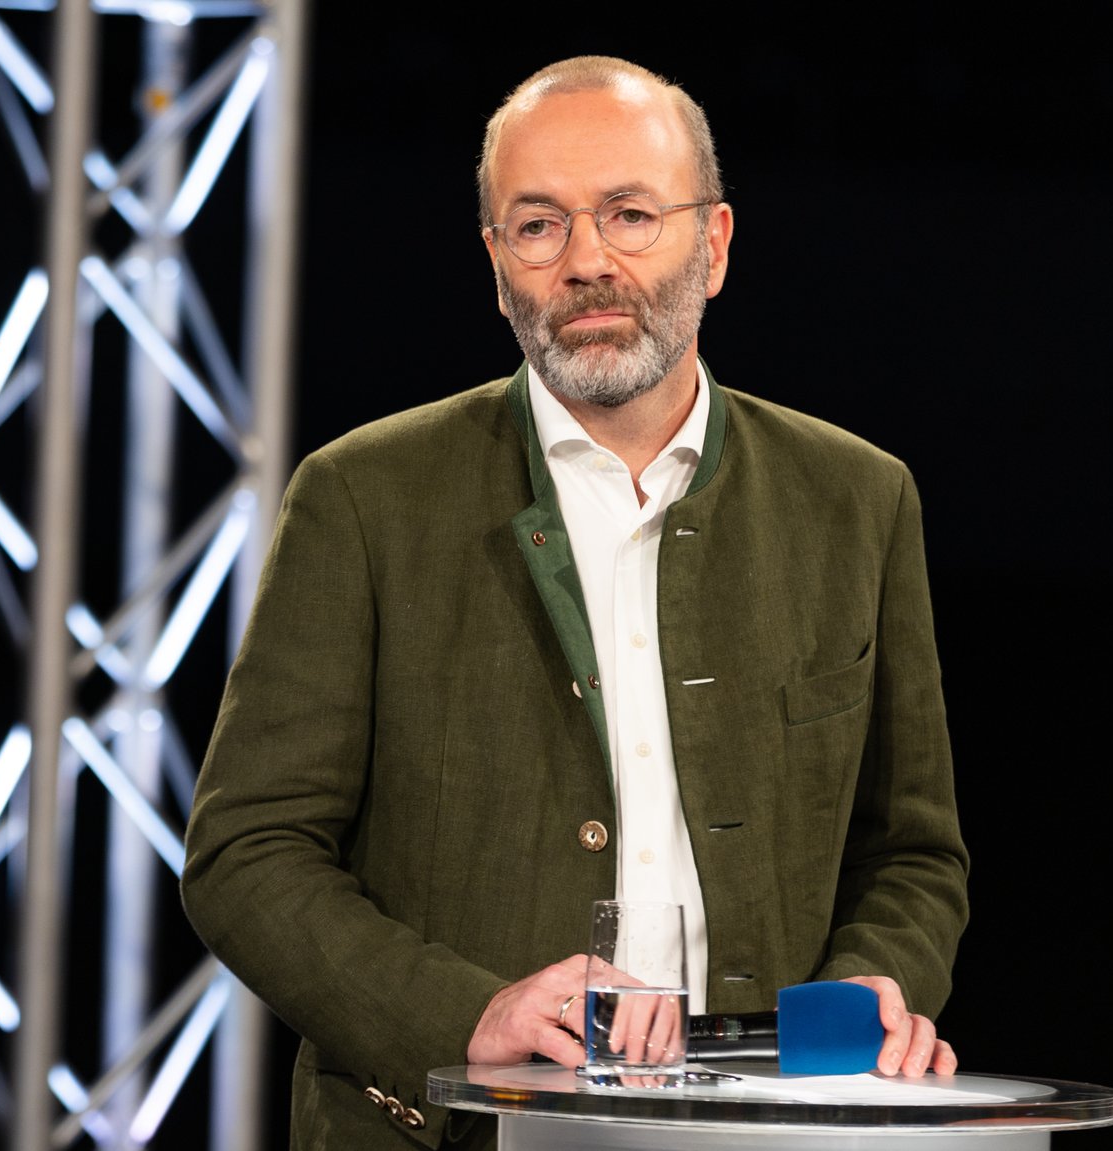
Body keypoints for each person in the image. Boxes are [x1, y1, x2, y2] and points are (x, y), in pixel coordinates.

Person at [180, 54, 969, 1150]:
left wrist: (859, 1000)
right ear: (496, 264)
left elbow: (912, 852)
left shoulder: (854, 498)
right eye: (538, 225)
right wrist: (466, 1015)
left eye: (629, 215)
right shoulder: (364, 496)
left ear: (716, 242)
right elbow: (246, 853)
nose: (586, 261)